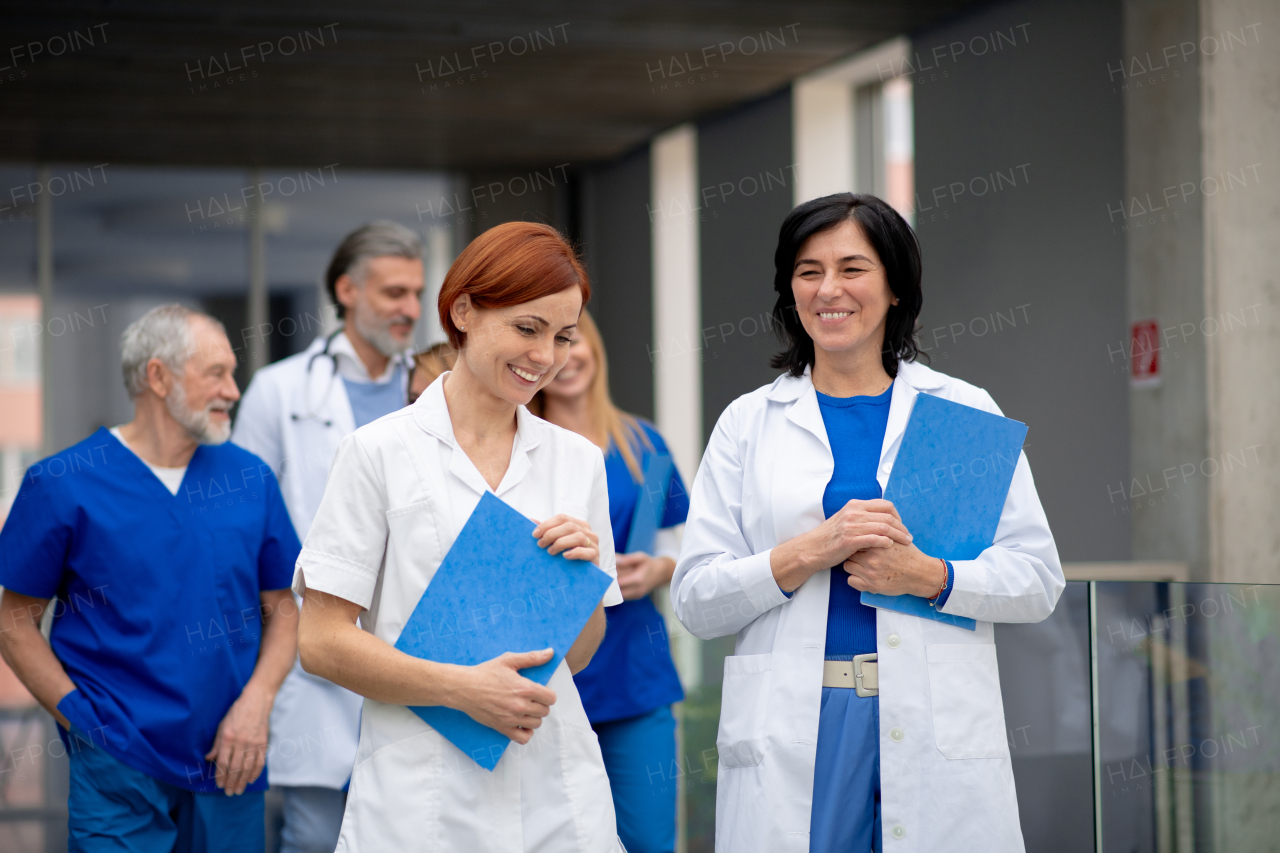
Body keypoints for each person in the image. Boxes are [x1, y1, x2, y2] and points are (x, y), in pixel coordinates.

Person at [671, 193, 1064, 853]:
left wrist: (929, 575)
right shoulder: (749, 423)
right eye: (807, 270)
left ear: (895, 289)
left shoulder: (960, 413)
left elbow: (1036, 580)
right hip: (804, 718)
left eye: (852, 268)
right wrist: (806, 551)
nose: (829, 289)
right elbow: (694, 599)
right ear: (789, 291)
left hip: (932, 715)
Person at [293, 221, 625, 851]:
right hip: (421, 794)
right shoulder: (376, 453)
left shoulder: (576, 461)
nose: (544, 356)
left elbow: (578, 654)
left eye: (562, 337)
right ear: (464, 310)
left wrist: (582, 577)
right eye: (527, 329)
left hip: (554, 789)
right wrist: (461, 689)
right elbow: (322, 641)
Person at [0, 304, 300, 852]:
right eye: (216, 373)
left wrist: (256, 703)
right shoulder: (63, 483)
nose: (234, 391)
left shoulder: (249, 479)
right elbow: (13, 621)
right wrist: (80, 721)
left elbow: (283, 608)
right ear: (158, 377)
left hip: (230, 759)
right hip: (118, 766)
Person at [232, 221, 424, 853]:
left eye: (417, 295)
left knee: (405, 826)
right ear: (347, 289)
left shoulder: (429, 392)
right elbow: (245, 520)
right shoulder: (280, 390)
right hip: (313, 642)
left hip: (408, 639)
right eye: (395, 293)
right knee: (313, 833)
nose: (411, 311)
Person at [532, 309, 688, 853]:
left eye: (574, 341)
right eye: (552, 344)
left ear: (594, 349)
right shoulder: (521, 449)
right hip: (544, 679)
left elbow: (677, 538)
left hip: (633, 676)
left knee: (646, 837)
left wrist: (660, 569)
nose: (566, 356)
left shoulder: (643, 444)